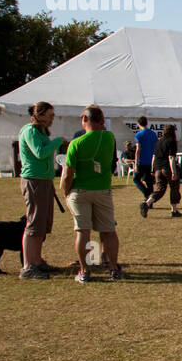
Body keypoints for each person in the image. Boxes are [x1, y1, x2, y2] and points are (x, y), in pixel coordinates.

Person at [61, 104, 124, 282]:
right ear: (102, 120)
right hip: (102, 189)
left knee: (83, 231)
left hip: (80, 190)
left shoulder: (76, 143)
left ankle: (85, 270)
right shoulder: (109, 137)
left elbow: (67, 174)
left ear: (84, 119)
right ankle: (113, 268)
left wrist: (66, 192)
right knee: (108, 231)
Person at [18, 101, 66, 280]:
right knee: (34, 223)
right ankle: (28, 266)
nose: (52, 118)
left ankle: (37, 261)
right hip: (34, 180)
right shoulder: (30, 131)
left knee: (42, 224)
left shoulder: (42, 132)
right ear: (40, 114)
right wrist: (58, 142)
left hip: (44, 180)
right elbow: (39, 152)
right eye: (50, 115)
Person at [142, 124, 182, 218]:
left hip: (157, 168)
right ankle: (174, 210)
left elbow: (154, 156)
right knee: (174, 187)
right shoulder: (171, 141)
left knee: (160, 189)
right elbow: (171, 157)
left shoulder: (159, 142)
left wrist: (152, 168)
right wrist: (174, 172)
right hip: (167, 168)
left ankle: (147, 203)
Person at [130, 117, 156, 199]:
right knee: (149, 181)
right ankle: (150, 201)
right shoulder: (153, 134)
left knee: (136, 180)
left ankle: (146, 193)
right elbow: (156, 147)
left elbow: (138, 149)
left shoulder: (139, 135)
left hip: (142, 161)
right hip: (150, 160)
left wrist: (136, 163)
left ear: (138, 124)